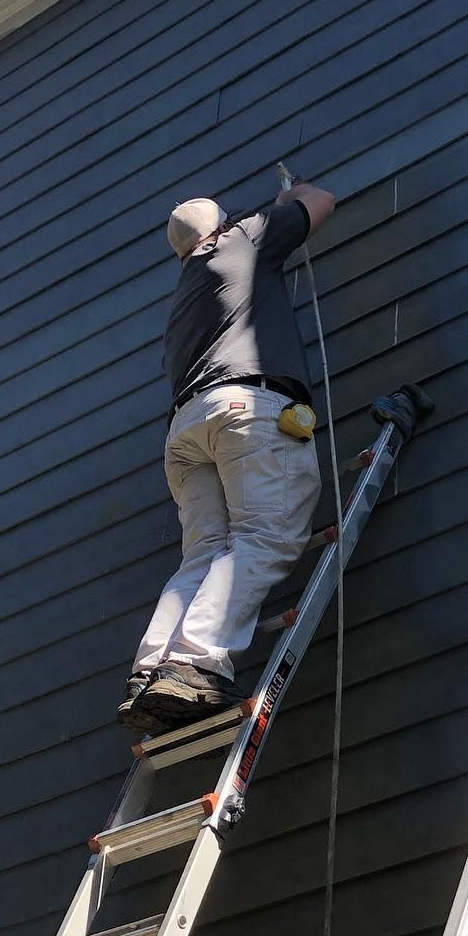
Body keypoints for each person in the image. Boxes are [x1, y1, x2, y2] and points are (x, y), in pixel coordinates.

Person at [118, 180, 335, 733]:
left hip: (186, 432)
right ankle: (195, 661)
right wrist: (292, 198)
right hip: (244, 408)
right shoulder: (238, 242)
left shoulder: (183, 299)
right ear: (217, 228)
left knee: (205, 552)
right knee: (265, 534)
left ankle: (152, 669)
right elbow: (322, 202)